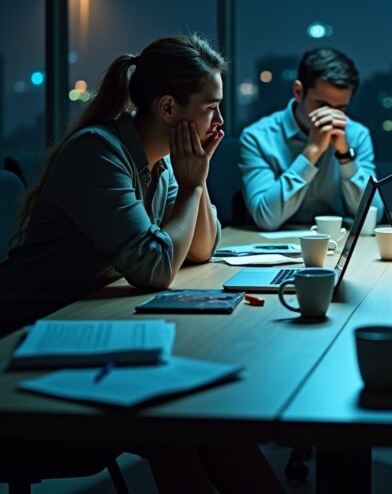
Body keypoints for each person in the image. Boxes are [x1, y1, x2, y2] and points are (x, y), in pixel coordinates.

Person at [0, 34, 284, 494]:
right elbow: (154, 267)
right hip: (24, 339)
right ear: (169, 108)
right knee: (178, 422)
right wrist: (191, 189)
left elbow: (198, 250)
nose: (219, 120)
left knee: (197, 417)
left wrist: (199, 177)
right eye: (211, 107)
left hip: (82, 324)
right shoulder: (98, 152)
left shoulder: (161, 162)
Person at [240, 46, 381, 229]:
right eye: (322, 105)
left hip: (336, 245)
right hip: (277, 249)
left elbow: (373, 216)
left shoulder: (357, 135)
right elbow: (266, 218)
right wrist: (310, 154)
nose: (331, 116)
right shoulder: (257, 137)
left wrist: (345, 156)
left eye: (340, 109)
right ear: (298, 92)